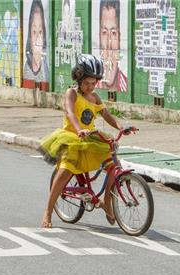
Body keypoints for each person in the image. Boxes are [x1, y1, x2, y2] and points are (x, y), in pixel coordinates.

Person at [39, 54, 132, 228]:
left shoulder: (95, 97)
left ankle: (107, 201)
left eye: (94, 83)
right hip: (72, 137)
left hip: (91, 137)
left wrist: (121, 127)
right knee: (64, 173)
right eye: (87, 83)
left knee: (113, 165)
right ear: (79, 78)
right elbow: (70, 113)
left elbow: (107, 115)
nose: (91, 86)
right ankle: (48, 212)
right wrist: (78, 129)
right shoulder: (71, 93)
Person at [98, 0, 127, 92]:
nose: (109, 43)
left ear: (119, 39)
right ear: (99, 37)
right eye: (104, 33)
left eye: (113, 33)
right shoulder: (90, 87)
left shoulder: (126, 83)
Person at [24, 0, 49, 85]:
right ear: (29, 38)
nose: (37, 38)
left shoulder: (46, 69)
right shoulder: (26, 70)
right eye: (34, 32)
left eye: (40, 32)